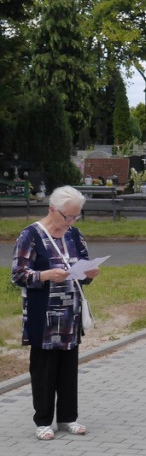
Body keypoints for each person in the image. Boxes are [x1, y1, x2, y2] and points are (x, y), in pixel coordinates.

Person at [12, 186, 100, 440]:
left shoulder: (73, 235)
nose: (71, 221)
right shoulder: (31, 235)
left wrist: (89, 272)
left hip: (70, 311)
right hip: (43, 312)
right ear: (53, 210)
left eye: (76, 216)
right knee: (43, 367)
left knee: (68, 366)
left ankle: (68, 417)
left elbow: (83, 264)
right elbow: (18, 274)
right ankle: (42, 420)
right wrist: (46, 275)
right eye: (68, 216)